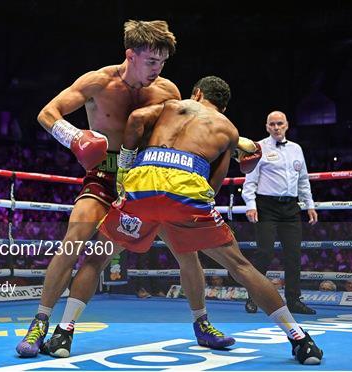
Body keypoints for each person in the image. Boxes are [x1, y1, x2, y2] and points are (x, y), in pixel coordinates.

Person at [16, 20, 228, 358]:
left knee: (186, 252)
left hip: (148, 177)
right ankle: (40, 322)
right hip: (105, 171)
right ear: (131, 54)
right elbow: (47, 113)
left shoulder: (168, 91)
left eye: (162, 62)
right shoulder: (98, 82)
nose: (157, 70)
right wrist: (74, 138)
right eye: (151, 61)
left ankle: (201, 323)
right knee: (75, 240)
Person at [97, 76, 323, 365]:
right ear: (223, 107)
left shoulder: (167, 107)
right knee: (239, 265)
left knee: (100, 258)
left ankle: (58, 329)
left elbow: (136, 118)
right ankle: (298, 337)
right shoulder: (226, 129)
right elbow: (213, 190)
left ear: (198, 93)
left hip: (141, 190)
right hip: (183, 197)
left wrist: (124, 170)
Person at [241, 111, 318, 315]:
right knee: (264, 253)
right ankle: (253, 297)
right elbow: (250, 180)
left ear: (286, 125)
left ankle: (294, 300)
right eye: (272, 124)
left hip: (291, 207)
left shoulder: (296, 149)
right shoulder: (258, 148)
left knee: (293, 255)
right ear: (267, 127)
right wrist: (251, 204)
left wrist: (309, 204)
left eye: (280, 124)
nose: (276, 127)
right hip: (266, 206)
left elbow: (303, 179)